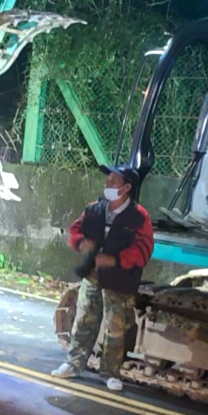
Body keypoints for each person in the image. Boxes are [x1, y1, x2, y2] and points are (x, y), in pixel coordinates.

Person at [51, 164, 154, 392]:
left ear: (127, 187)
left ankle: (111, 372)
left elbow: (143, 250)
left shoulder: (139, 217)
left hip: (120, 281)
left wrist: (115, 260)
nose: (108, 184)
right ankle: (74, 364)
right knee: (83, 321)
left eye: (114, 181)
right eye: (108, 180)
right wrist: (80, 243)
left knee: (115, 329)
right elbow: (75, 229)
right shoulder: (95, 209)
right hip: (92, 277)